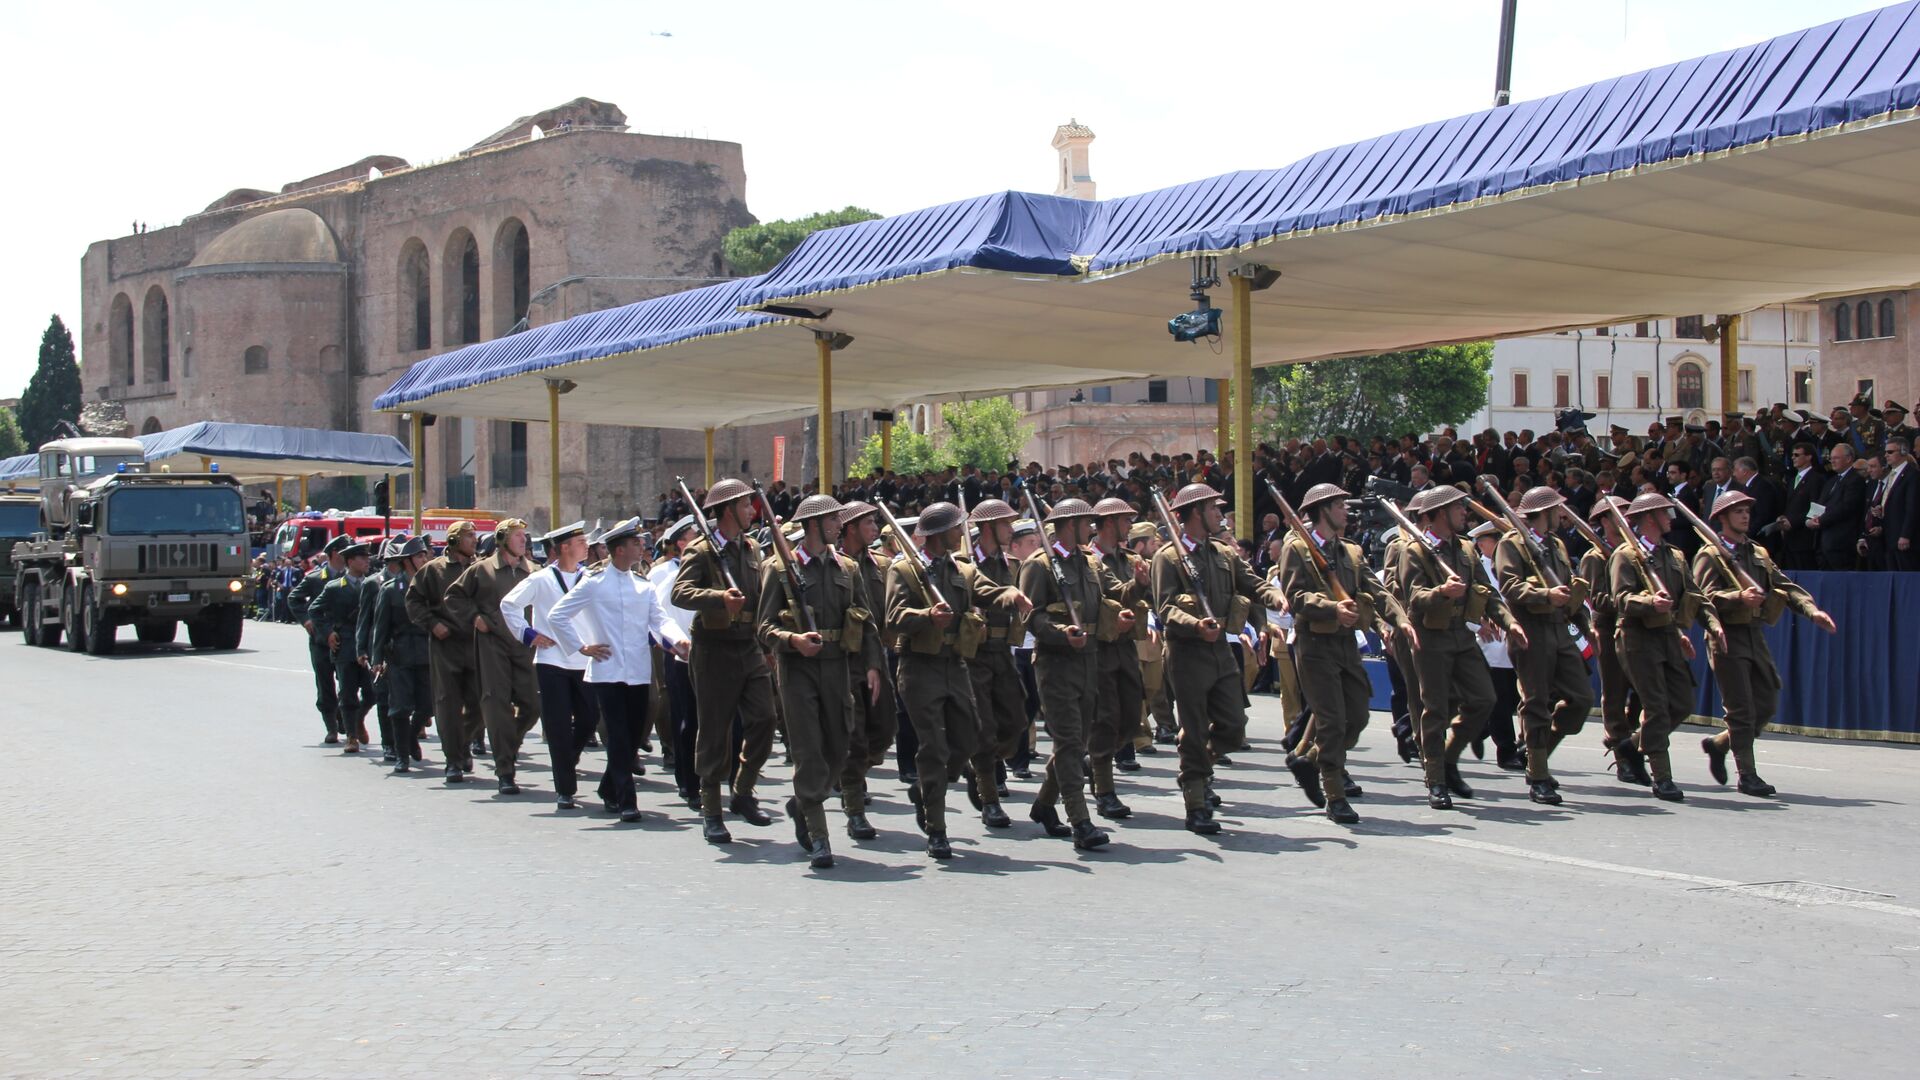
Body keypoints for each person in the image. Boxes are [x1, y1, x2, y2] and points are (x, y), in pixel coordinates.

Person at [887, 500, 1031, 860]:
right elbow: (893, 616)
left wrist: (1009, 594)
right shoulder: (904, 570)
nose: (960, 533)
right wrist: (925, 616)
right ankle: (937, 829)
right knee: (934, 747)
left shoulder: (962, 569)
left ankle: (924, 791)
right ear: (938, 534)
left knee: (968, 739)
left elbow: (987, 590)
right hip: (920, 666)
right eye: (955, 528)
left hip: (956, 664)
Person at [754, 494, 884, 869]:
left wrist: (873, 664)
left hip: (837, 666)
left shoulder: (847, 568)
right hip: (798, 670)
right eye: (831, 521)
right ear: (813, 524)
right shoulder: (779, 568)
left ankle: (803, 802)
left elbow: (867, 621)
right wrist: (791, 640)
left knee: (839, 747)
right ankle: (819, 837)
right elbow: (763, 626)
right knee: (809, 750)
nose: (838, 526)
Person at [1275, 483, 1412, 824]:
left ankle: (1310, 757)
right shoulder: (1297, 550)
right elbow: (1296, 597)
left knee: (1358, 716)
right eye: (1339, 506)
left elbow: (1375, 590)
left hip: (1346, 645)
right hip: (1315, 645)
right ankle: (1334, 794)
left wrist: (1398, 620)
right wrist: (1333, 608)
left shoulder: (1350, 551)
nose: (1346, 512)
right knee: (1332, 720)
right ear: (1323, 510)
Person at [1693, 490, 1838, 796]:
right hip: (1726, 635)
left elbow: (1784, 585)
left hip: (1753, 634)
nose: (1745, 516)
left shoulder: (1757, 552)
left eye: (1747, 510)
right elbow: (1702, 599)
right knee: (1741, 708)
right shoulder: (1710, 554)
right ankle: (1747, 774)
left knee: (1767, 701)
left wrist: (1812, 611)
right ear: (1722, 518)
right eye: (1738, 511)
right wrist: (1738, 597)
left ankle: (1719, 744)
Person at [1150, 482, 1276, 834]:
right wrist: (1194, 623)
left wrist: (1275, 598)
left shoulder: (1223, 553)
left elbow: (1251, 582)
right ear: (1194, 513)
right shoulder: (1168, 557)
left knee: (1234, 726)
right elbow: (1165, 607)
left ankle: (1200, 764)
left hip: (1220, 649)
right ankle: (1196, 797)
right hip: (1187, 652)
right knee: (1193, 727)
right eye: (1212, 508)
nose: (1220, 514)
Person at [549, 518, 690, 823]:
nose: (642, 547)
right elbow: (557, 615)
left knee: (636, 732)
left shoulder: (644, 585)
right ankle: (627, 800)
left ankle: (608, 788)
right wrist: (581, 646)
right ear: (619, 550)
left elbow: (659, 618)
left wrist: (677, 638)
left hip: (638, 671)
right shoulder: (594, 583)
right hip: (608, 671)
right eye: (636, 543)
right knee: (618, 735)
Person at [1396, 485, 1525, 810]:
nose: (1464, 513)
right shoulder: (1414, 551)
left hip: (1461, 636)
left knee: (1484, 699)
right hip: (1431, 636)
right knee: (1435, 709)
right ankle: (1436, 779)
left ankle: (1448, 758)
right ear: (1440, 513)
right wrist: (1441, 592)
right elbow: (1414, 597)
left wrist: (1509, 622)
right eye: (1457, 508)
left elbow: (1488, 593)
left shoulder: (1466, 550)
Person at [671, 478, 778, 843]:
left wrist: (768, 644)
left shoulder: (751, 548)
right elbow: (680, 593)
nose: (752, 511)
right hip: (714, 647)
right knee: (715, 730)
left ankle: (743, 789)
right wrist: (719, 598)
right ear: (728, 509)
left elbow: (761, 595)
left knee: (765, 718)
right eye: (746, 505)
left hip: (749, 644)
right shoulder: (702, 551)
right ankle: (711, 808)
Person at [1018, 498, 1120, 849]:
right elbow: (1032, 615)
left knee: (1077, 742)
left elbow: (1114, 593)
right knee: (1068, 742)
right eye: (1085, 522)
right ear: (1068, 524)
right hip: (1056, 664)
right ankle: (1080, 820)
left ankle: (1045, 804)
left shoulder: (1089, 563)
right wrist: (1061, 633)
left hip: (1089, 659)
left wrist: (1136, 589)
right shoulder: (1039, 566)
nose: (1092, 528)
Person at [1609, 491, 1723, 802]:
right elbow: (1621, 598)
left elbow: (1694, 594)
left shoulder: (1674, 556)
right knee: (1656, 707)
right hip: (1637, 638)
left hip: (1667, 637)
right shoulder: (1625, 555)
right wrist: (1649, 602)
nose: (1669, 518)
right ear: (1649, 518)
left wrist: (1712, 624)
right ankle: (1662, 776)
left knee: (1683, 701)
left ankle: (1632, 745)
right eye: (1664, 513)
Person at [1492, 486, 1594, 805]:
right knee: (1536, 702)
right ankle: (1538, 775)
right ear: (1543, 512)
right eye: (1556, 509)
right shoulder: (1513, 543)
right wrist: (1544, 595)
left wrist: (1586, 627)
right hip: (1531, 629)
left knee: (1581, 698)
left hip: (1559, 630)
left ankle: (1538, 750)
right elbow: (1509, 585)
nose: (1561, 514)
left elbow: (1568, 588)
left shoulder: (1557, 545)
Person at [499, 521, 598, 810]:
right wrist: (528, 634)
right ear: (564, 547)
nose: (586, 546)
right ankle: (565, 788)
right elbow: (509, 604)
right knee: (556, 724)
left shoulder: (590, 578)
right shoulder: (541, 579)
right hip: (552, 660)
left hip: (585, 659)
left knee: (590, 718)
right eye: (580, 541)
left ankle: (569, 756)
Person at [446, 518, 542, 794]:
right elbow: (454, 597)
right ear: (502, 540)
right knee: (496, 704)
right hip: (492, 644)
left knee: (532, 705)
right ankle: (505, 770)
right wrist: (474, 617)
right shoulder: (482, 570)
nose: (524, 540)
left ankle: (507, 745)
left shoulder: (534, 572)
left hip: (524, 645)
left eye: (525, 536)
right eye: (518, 536)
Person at [960, 498, 1029, 830]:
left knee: (1016, 721)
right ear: (988, 528)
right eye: (1005, 524)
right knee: (984, 729)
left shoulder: (1012, 565)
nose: (1011, 529)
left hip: (1003, 651)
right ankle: (990, 798)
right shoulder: (963, 564)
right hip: (974, 656)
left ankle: (977, 764)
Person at [832, 501, 896, 839]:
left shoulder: (882, 566)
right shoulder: (833, 565)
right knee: (854, 738)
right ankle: (854, 806)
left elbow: (885, 615)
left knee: (884, 730)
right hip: (841, 661)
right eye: (869, 522)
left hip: (875, 658)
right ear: (851, 527)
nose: (875, 527)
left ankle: (847, 774)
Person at [1087, 497, 1152, 820]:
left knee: (1130, 719)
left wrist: (1142, 585)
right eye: (1125, 519)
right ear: (1110, 522)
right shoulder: (1086, 559)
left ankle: (1095, 760)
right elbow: (1103, 598)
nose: (1130, 525)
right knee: (1106, 717)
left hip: (1125, 646)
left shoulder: (1129, 558)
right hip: (1099, 648)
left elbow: (1133, 594)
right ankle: (1104, 789)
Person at [1579, 497, 1649, 786]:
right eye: (1618, 516)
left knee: (1645, 693)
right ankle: (1623, 756)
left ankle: (1628, 741)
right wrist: (1631, 600)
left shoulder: (1636, 552)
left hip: (1639, 628)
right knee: (1616, 691)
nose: (1626, 521)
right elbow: (1596, 599)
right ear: (1605, 521)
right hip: (1609, 628)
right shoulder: (1595, 557)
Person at [406, 520, 482, 784]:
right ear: (453, 541)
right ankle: (453, 760)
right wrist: (432, 624)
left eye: (475, 535)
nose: (474, 540)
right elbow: (413, 601)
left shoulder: (480, 568)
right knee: (448, 704)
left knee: (481, 702)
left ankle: (463, 745)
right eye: (469, 536)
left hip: (477, 644)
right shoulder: (432, 571)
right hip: (446, 645)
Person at [646, 515, 702, 807]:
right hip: (679, 655)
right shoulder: (665, 576)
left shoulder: (709, 567)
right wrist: (668, 644)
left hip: (709, 654)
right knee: (685, 718)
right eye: (695, 534)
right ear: (681, 543)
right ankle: (687, 779)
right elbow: (655, 615)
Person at [370, 536, 433, 774]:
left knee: (427, 705)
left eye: (424, 555)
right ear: (407, 561)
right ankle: (402, 755)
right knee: (400, 708)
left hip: (426, 654)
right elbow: (380, 627)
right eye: (419, 556)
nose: (424, 559)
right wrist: (377, 659)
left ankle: (409, 736)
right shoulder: (389, 590)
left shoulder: (430, 586)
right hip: (400, 655)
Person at [1470, 520, 1525, 772]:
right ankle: (1506, 750)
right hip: (1489, 638)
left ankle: (1479, 726)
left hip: (1513, 634)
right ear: (1482, 543)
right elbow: (1472, 596)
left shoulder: (1510, 562)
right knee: (1500, 695)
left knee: (1513, 696)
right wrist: (1480, 621)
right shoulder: (1477, 567)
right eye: (1495, 539)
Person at [310, 542, 375, 754]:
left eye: (367, 558)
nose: (367, 561)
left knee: (373, 691)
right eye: (361, 558)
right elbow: (315, 610)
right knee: (347, 693)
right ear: (349, 561)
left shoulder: (374, 584)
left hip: (368, 646)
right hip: (345, 644)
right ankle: (351, 736)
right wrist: (328, 632)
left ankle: (358, 718)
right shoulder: (335, 587)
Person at [289, 535, 351, 744]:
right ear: (335, 554)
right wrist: (306, 621)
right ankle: (331, 727)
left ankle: (345, 715)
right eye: (345, 552)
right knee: (325, 684)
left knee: (349, 682)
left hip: (345, 638)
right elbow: (294, 598)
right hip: (321, 640)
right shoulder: (315, 578)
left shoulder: (354, 578)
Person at [1811, 443, 1867, 570]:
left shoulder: (1855, 480)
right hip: (1823, 542)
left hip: (1841, 543)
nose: (1832, 461)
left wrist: (1820, 520)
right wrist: (1810, 519)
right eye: (1831, 458)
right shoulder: (1831, 481)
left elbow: (1846, 507)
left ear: (1848, 459)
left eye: (1836, 458)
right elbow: (1820, 503)